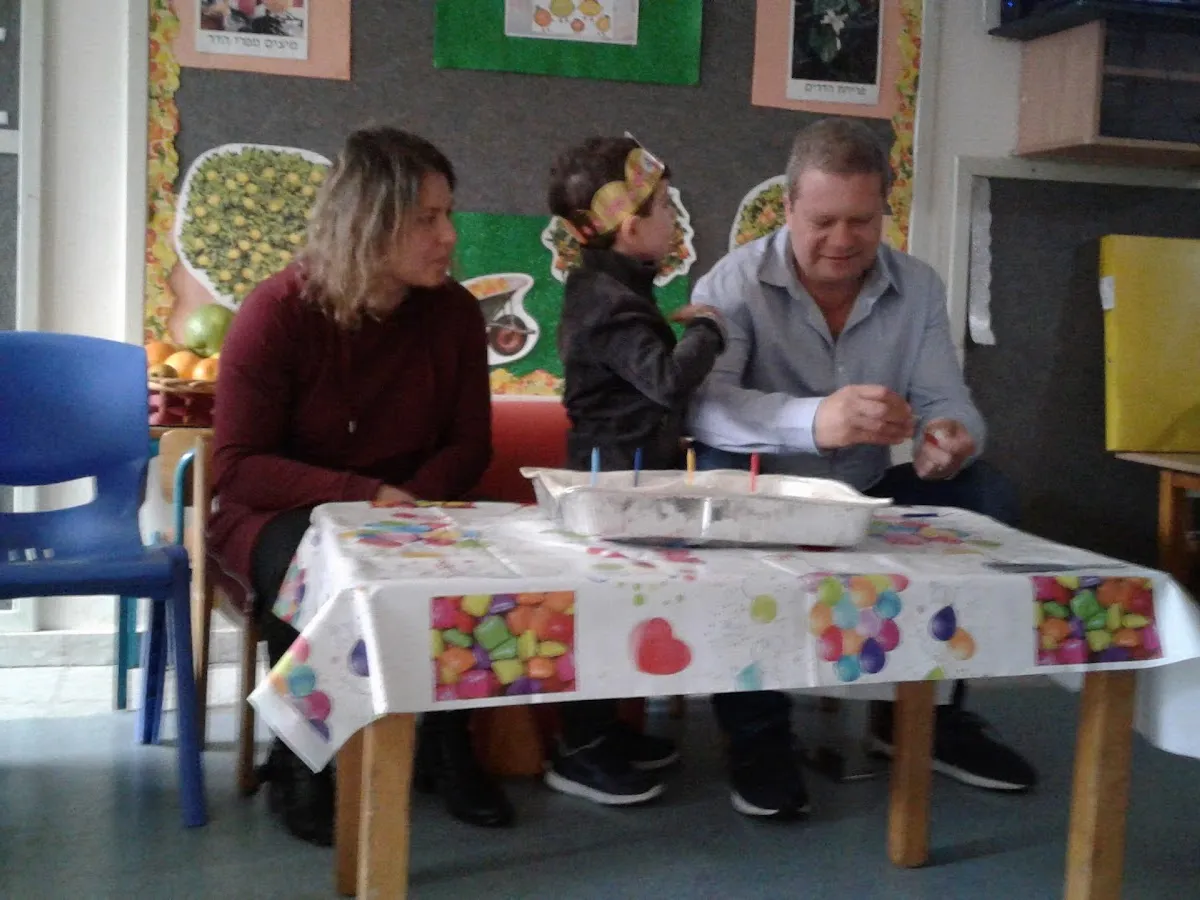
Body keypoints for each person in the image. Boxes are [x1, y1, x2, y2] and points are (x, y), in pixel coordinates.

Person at [686, 117, 1037, 820]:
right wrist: (815, 420)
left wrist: (949, 440)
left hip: (866, 494)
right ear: (787, 209)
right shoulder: (734, 281)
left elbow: (950, 402)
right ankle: (757, 734)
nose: (843, 240)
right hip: (765, 495)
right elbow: (703, 408)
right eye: (823, 221)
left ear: (885, 211)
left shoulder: (919, 286)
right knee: (719, 482)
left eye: (862, 220)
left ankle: (923, 715)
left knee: (986, 493)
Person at [209, 127, 513, 845]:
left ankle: (448, 740)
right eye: (427, 219)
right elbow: (238, 465)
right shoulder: (278, 312)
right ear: (369, 224)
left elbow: (470, 444)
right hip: (285, 511)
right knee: (313, 559)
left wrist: (405, 506)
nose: (449, 236)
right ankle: (301, 758)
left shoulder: (453, 313)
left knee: (483, 559)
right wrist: (363, 497)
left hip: (412, 504)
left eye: (448, 214)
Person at [545, 135, 726, 805]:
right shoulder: (607, 301)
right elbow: (665, 381)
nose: (676, 217)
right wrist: (707, 330)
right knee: (599, 610)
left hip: (628, 474)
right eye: (666, 207)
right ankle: (580, 748)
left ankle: (603, 732)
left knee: (626, 607)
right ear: (628, 227)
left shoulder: (615, 289)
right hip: (611, 480)